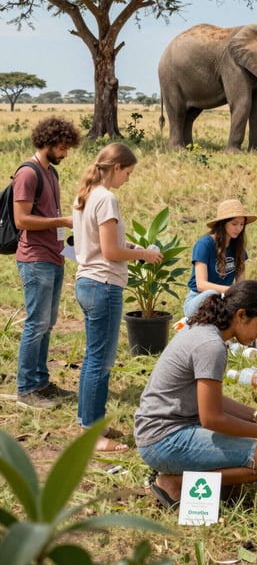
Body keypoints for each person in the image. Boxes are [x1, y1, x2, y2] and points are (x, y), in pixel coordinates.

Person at [134, 281, 257, 509]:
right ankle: (173, 482)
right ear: (240, 315)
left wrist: (255, 415)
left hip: (163, 429)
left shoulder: (203, 328)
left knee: (252, 452)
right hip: (162, 439)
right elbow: (212, 418)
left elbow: (208, 400)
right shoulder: (211, 346)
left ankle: (209, 480)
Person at [72, 142, 163, 452]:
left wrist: (134, 250)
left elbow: (100, 245)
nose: (129, 178)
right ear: (115, 168)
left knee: (92, 358)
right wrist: (145, 255)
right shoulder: (107, 199)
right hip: (104, 285)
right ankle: (93, 434)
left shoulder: (84, 195)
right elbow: (110, 252)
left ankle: (89, 422)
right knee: (101, 361)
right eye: (128, 172)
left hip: (86, 281)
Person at [13, 117, 81, 409]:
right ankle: (27, 389)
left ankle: (41, 382)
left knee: (48, 323)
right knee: (36, 323)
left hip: (53, 258)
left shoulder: (51, 174)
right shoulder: (28, 174)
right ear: (48, 142)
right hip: (35, 259)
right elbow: (22, 220)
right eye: (63, 147)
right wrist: (63, 220)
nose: (66, 153)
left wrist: (66, 253)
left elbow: (53, 216)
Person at [183, 199, 256, 318]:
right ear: (223, 223)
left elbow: (241, 282)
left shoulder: (238, 248)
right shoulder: (204, 244)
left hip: (223, 300)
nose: (238, 228)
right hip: (199, 299)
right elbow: (201, 285)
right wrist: (231, 290)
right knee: (212, 294)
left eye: (242, 224)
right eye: (234, 224)